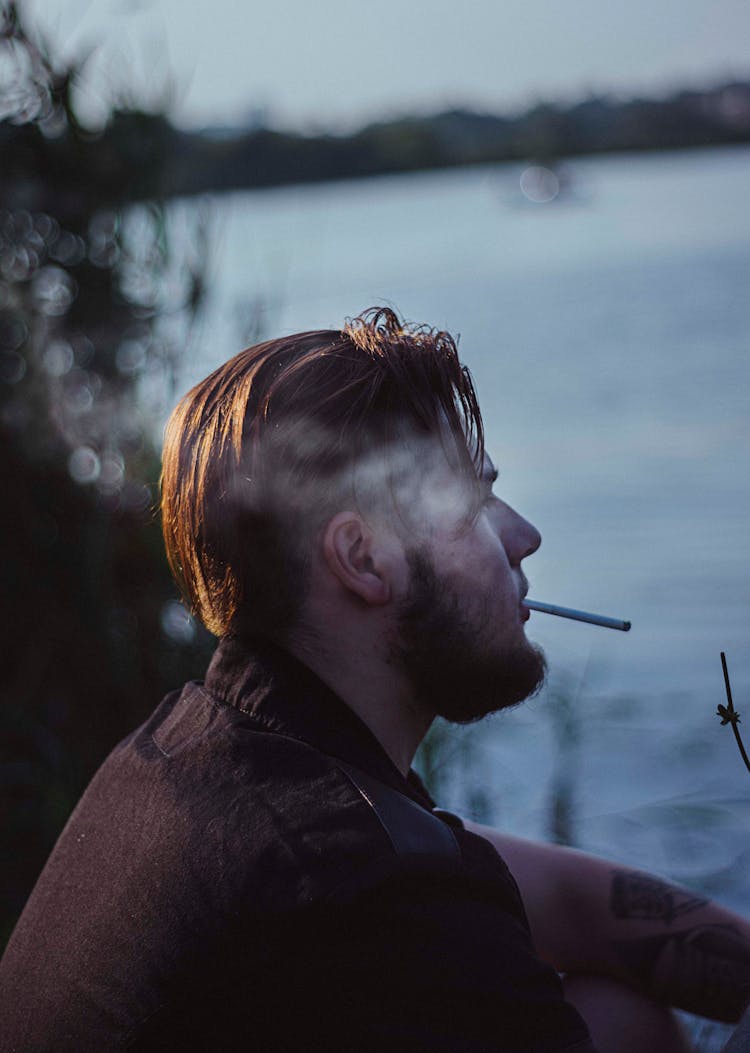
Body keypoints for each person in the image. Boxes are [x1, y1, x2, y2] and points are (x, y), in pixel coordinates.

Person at [1, 307, 748, 1052]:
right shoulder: (357, 887)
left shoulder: (186, 750)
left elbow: (571, 904)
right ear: (363, 559)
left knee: (618, 1018)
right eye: (476, 505)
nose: (524, 536)